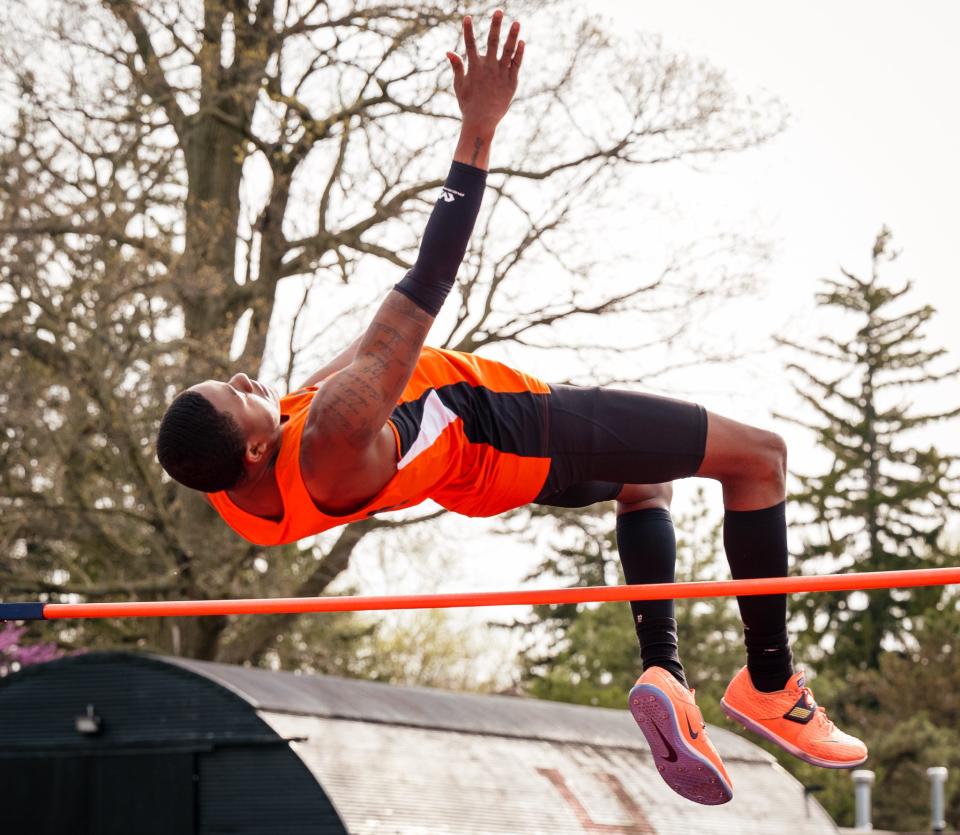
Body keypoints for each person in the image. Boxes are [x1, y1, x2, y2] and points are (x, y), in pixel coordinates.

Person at [156, 11, 866, 806]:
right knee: (759, 456)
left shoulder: (239, 491)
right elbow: (426, 283)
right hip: (522, 428)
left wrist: (264, 402)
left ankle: (665, 670)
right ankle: (769, 681)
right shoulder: (331, 434)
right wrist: (477, 132)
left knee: (646, 486)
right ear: (250, 450)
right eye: (239, 396)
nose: (249, 380)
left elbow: (348, 365)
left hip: (481, 474)